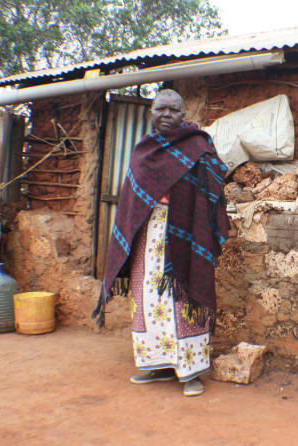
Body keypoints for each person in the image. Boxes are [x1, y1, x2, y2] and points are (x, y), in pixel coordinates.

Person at [93, 89, 230, 397]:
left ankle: (190, 371)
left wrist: (208, 170)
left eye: (174, 110)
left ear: (184, 114)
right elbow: (131, 198)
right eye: (161, 109)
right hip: (148, 233)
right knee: (147, 297)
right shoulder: (144, 149)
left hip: (186, 234)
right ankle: (155, 363)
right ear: (150, 112)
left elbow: (215, 181)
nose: (167, 115)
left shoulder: (198, 145)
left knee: (183, 297)